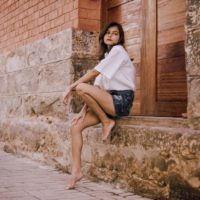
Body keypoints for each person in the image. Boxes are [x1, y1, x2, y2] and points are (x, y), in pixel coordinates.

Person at [63, 21, 136, 189]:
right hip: (108, 102)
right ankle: (76, 172)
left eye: (115, 33)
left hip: (121, 101)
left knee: (81, 87)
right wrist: (83, 111)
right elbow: (96, 88)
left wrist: (71, 86)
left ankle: (106, 122)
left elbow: (93, 74)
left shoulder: (118, 51)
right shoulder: (107, 58)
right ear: (103, 36)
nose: (111, 35)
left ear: (120, 38)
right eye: (108, 32)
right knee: (75, 127)